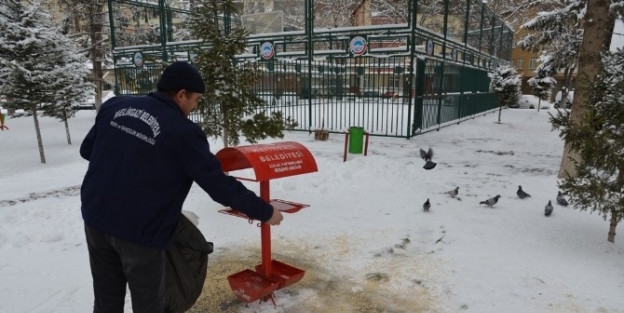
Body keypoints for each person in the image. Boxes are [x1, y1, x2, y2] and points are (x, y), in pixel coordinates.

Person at [79, 61, 283, 313]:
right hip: (140, 231)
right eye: (195, 99)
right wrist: (265, 211)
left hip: (96, 217)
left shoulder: (115, 106)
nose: (196, 105)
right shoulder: (182, 131)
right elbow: (219, 186)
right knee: (149, 304)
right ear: (180, 94)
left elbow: (88, 150)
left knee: (106, 299)